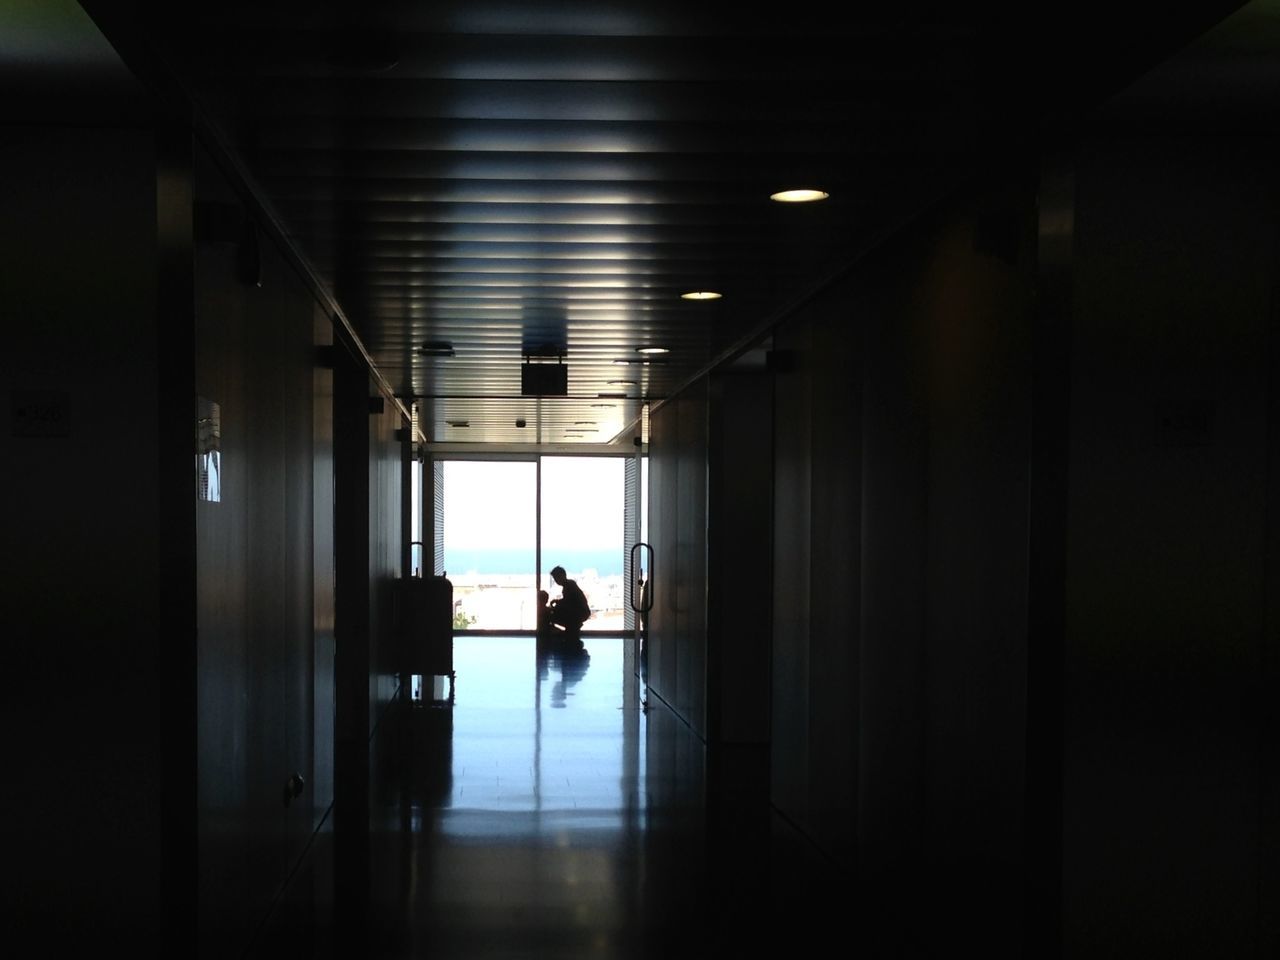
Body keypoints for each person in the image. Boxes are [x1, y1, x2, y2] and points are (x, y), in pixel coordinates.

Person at [547, 565, 590, 645]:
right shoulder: (570, 584)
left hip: (579, 613)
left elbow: (569, 601)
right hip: (580, 612)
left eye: (556, 578)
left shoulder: (569, 586)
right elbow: (569, 600)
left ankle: (571, 630)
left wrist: (557, 605)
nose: (556, 581)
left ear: (562, 576)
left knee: (552, 616)